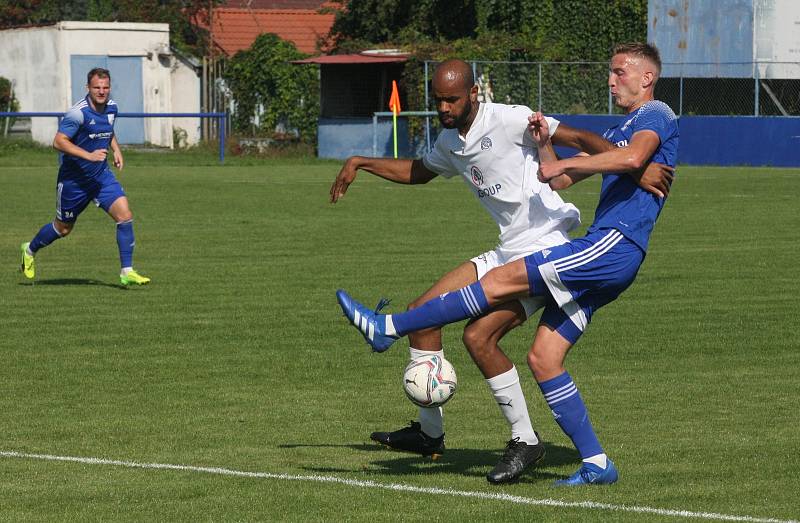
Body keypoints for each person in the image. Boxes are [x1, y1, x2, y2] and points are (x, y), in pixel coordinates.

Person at [336, 42, 678, 486]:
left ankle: (387, 329)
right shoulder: (450, 141)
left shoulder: (650, 115)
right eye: (437, 100)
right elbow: (563, 170)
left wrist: (631, 166)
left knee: (488, 304)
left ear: (472, 94)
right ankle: (590, 461)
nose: (610, 80)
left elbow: (602, 147)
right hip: (522, 244)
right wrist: (362, 161)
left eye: (618, 73)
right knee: (537, 355)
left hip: (570, 244)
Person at [19, 67, 150, 286]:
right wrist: (88, 155)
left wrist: (116, 149)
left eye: (105, 87)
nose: (101, 91)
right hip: (74, 182)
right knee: (63, 228)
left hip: (100, 177)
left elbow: (107, 130)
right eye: (97, 87)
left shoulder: (112, 108)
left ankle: (127, 271)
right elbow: (58, 142)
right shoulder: (77, 113)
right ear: (87, 88)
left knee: (125, 216)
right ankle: (29, 250)